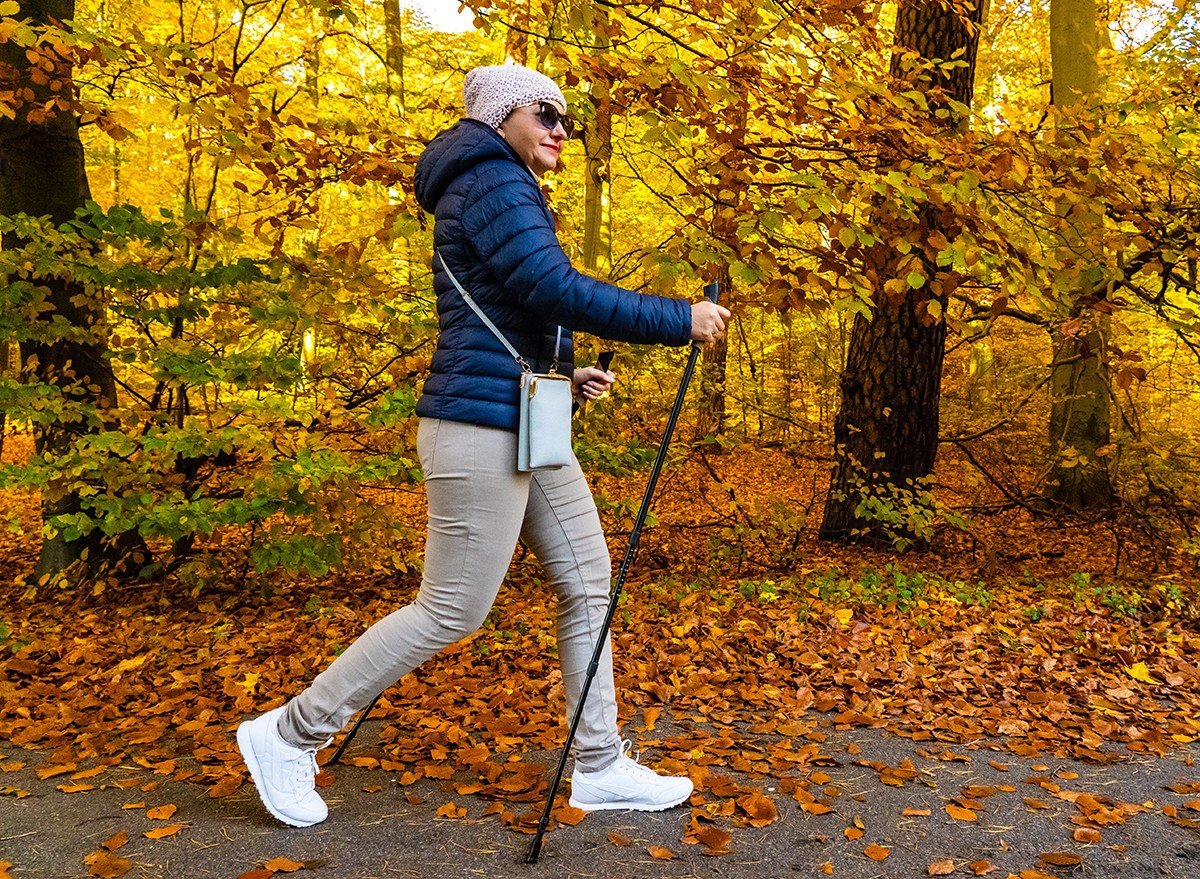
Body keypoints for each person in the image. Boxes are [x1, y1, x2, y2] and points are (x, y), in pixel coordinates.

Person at [236, 63, 730, 828]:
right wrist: (677, 317)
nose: (561, 127)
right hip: (479, 427)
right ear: (503, 116)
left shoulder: (505, 182)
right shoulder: (493, 181)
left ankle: (598, 765)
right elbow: (553, 286)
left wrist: (566, 375)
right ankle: (288, 733)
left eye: (567, 116)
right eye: (545, 112)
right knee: (451, 610)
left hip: (527, 416)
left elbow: (515, 308)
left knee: (587, 580)